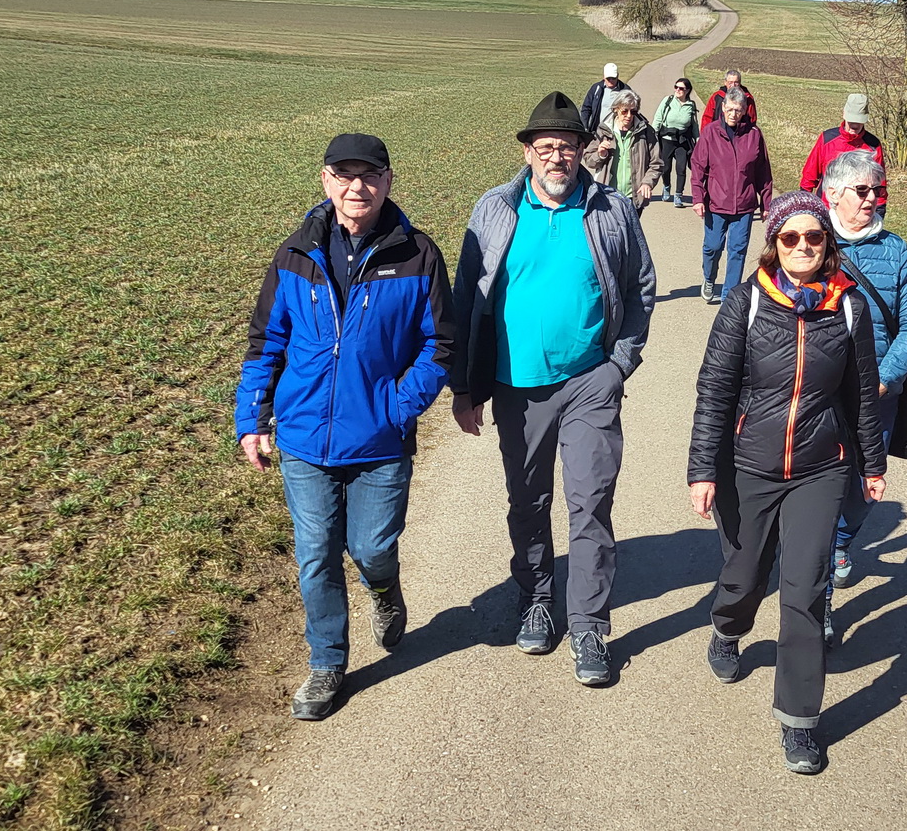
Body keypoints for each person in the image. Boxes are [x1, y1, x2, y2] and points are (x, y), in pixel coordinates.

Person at [235, 133, 453, 721]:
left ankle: (384, 589)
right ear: (326, 180)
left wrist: (398, 406)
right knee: (316, 554)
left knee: (372, 548)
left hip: (380, 439)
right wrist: (252, 418)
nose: (358, 187)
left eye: (370, 175)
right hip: (304, 437)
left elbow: (440, 345)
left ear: (388, 181)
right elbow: (265, 342)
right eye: (344, 175)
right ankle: (327, 663)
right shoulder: (295, 254)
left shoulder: (418, 255)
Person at [449, 91, 657, 687]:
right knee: (528, 500)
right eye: (545, 147)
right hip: (517, 387)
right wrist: (464, 386)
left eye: (567, 147)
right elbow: (466, 299)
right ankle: (537, 598)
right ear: (527, 152)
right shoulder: (494, 209)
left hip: (591, 380)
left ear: (582, 150)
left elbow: (640, 287)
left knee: (590, 502)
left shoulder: (611, 210)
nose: (556, 158)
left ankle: (589, 624)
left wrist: (618, 365)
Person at [687, 190, 887, 775]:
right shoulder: (745, 302)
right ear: (774, 244)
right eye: (790, 237)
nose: (803, 246)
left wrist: (872, 463)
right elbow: (714, 391)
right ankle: (727, 628)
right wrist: (703, 468)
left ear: (827, 243)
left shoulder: (849, 307)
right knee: (745, 576)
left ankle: (800, 719)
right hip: (748, 465)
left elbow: (862, 394)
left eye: (814, 236)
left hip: (821, 469)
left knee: (804, 592)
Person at [820, 150, 907, 640]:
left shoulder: (895, 250)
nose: (872, 200)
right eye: (862, 191)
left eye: (876, 191)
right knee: (822, 494)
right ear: (833, 194)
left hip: (879, 395)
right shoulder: (809, 242)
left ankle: (844, 540)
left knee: (864, 490)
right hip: (821, 398)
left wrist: (885, 377)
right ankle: (818, 604)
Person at [689, 88, 773, 304]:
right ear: (723, 108)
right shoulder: (710, 133)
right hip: (716, 203)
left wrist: (766, 203)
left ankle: (729, 297)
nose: (733, 114)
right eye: (730, 109)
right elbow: (698, 167)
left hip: (744, 205)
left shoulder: (754, 135)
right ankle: (709, 278)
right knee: (713, 246)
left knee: (738, 250)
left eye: (738, 110)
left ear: (744, 111)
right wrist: (698, 198)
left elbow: (763, 171)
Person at [800, 93, 887, 212]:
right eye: (851, 120)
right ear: (844, 114)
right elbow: (810, 174)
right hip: (826, 208)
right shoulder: (827, 139)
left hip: (857, 211)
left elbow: (879, 184)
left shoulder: (873, 145)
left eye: (858, 121)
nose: (854, 125)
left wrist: (879, 211)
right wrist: (804, 204)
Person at [582, 89, 663, 214]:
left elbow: (656, 163)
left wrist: (647, 183)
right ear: (616, 109)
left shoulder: (646, 131)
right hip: (607, 195)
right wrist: (600, 155)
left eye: (633, 111)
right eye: (625, 111)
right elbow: (589, 160)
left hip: (634, 197)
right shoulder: (604, 130)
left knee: (631, 227)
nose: (629, 115)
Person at [653, 78, 700, 207]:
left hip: (682, 141)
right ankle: (666, 186)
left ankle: (678, 195)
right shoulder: (668, 101)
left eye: (681, 88)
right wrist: (653, 135)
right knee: (666, 168)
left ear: (687, 90)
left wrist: (698, 140)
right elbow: (658, 118)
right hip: (667, 140)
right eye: (676, 87)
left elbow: (694, 125)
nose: (678, 90)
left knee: (681, 168)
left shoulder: (691, 105)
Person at [580, 62, 631, 130]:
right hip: (598, 130)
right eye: (608, 78)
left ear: (617, 76)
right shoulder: (596, 88)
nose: (611, 81)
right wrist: (584, 127)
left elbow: (631, 111)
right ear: (604, 76)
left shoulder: (626, 90)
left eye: (613, 78)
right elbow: (586, 108)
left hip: (617, 130)